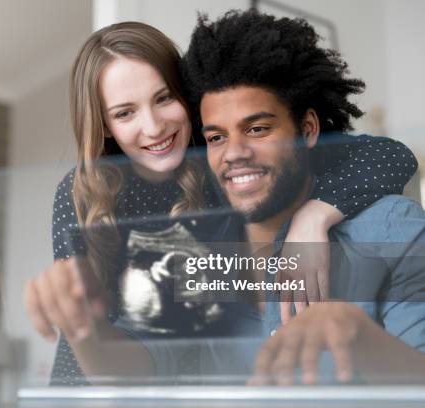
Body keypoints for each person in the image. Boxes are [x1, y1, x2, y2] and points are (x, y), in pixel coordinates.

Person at [23, 21, 419, 386]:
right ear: (105, 124)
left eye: (163, 99)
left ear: (186, 98)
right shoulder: (85, 191)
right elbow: (119, 336)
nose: (154, 126)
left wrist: (313, 216)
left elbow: (390, 155)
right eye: (125, 113)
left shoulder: (216, 173)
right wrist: (78, 322)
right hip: (100, 372)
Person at [180, 9, 425, 385]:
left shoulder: (393, 231)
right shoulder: (193, 246)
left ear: (308, 130)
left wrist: (359, 334)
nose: (233, 153)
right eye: (216, 137)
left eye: (258, 129)